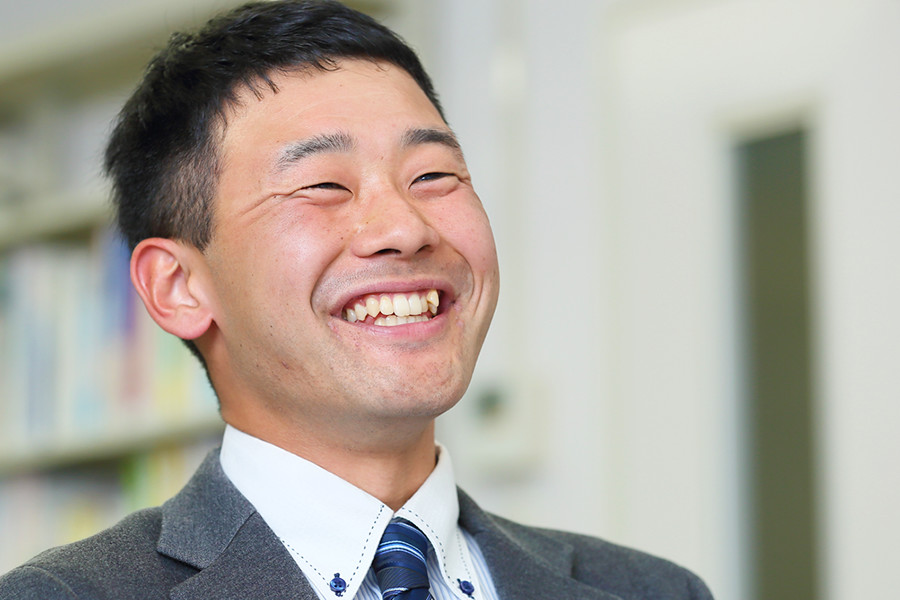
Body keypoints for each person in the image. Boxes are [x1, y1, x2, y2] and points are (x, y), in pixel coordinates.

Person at [0, 1, 714, 598]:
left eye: (433, 175)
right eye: (323, 186)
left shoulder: (651, 590)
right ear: (179, 287)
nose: (405, 228)